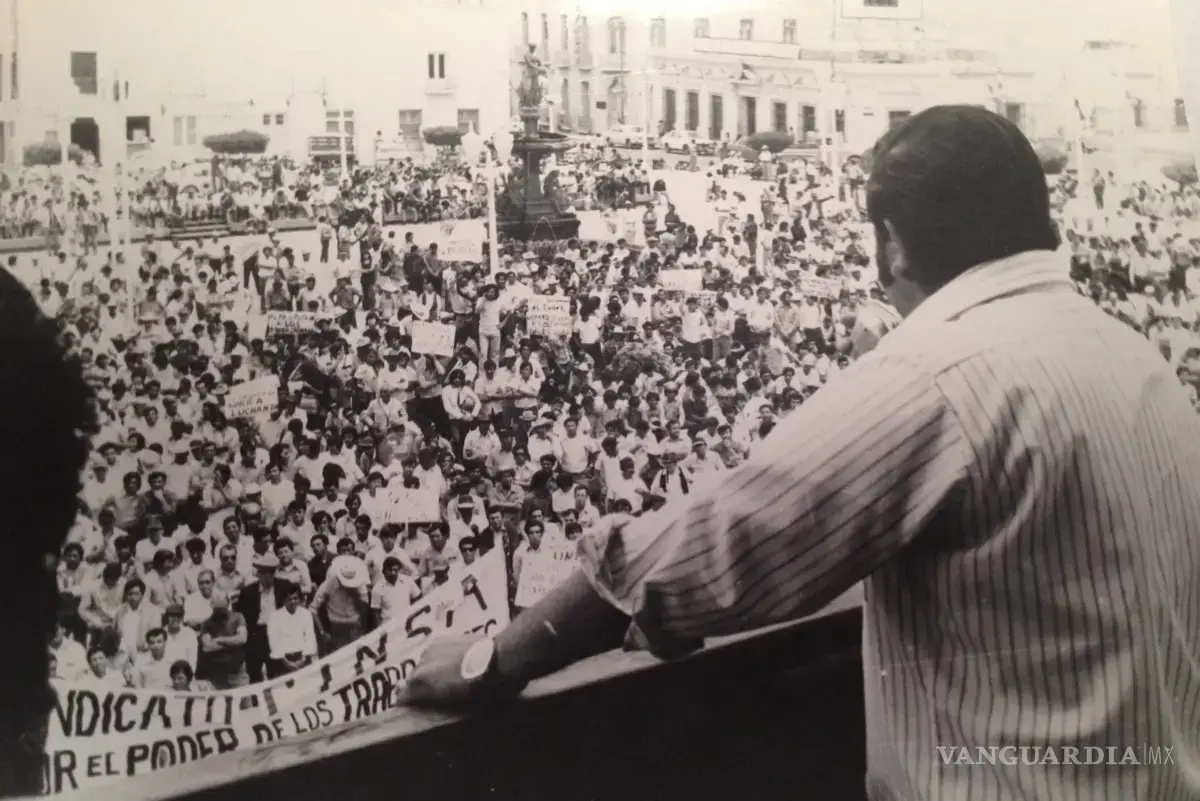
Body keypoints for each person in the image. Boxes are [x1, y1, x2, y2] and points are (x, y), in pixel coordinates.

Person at [401, 107, 1200, 800]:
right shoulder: (1137, 359)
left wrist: (494, 658)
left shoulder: (937, 373)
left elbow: (717, 544)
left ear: (891, 244)